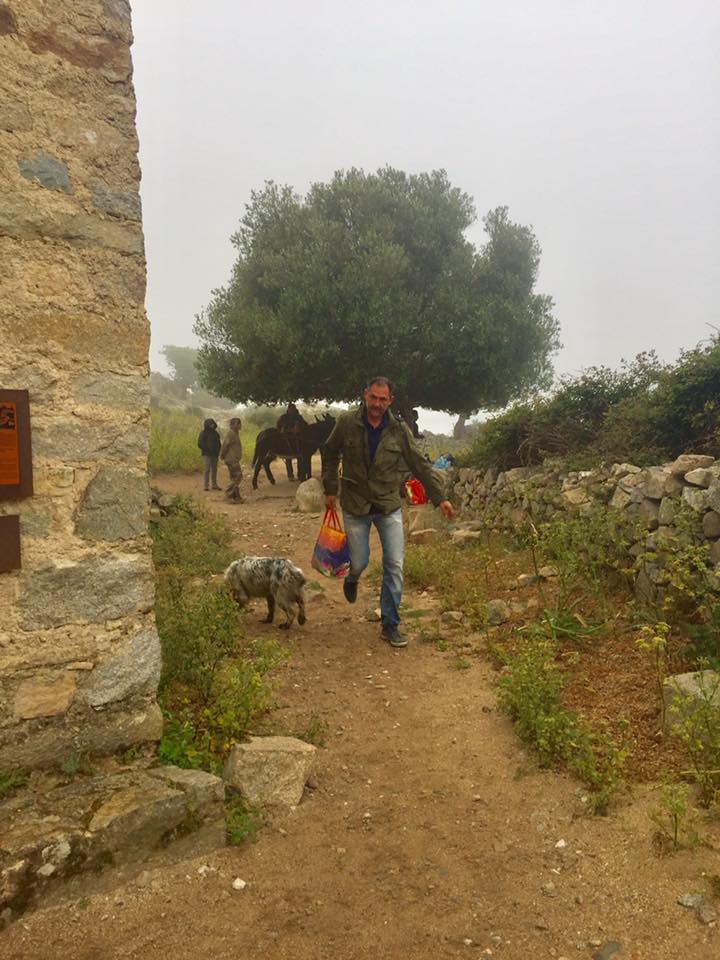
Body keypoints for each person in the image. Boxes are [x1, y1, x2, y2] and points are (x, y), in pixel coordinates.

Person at [322, 376, 454, 648]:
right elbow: (330, 452)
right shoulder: (347, 423)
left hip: (387, 504)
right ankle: (353, 577)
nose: (377, 404)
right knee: (359, 561)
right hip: (355, 503)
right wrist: (330, 488)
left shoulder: (398, 430)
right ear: (365, 395)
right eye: (373, 398)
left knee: (394, 565)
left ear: (390, 401)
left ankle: (390, 623)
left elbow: (419, 464)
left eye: (383, 400)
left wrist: (439, 497)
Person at [276, 402, 305, 480]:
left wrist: (298, 428)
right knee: (288, 457)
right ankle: (290, 475)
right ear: (288, 409)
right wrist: (284, 429)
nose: (291, 410)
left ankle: (300, 475)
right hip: (286, 438)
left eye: (293, 409)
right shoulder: (283, 417)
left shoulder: (299, 417)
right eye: (290, 409)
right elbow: (278, 426)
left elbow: (305, 425)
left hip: (297, 438)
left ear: (295, 409)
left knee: (300, 457)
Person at [220, 417, 244, 502]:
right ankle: (228, 494)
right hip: (231, 459)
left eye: (240, 423)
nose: (240, 425)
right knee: (238, 476)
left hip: (233, 459)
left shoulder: (235, 433)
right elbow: (225, 446)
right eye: (238, 424)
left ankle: (236, 497)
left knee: (234, 478)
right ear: (232, 425)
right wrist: (222, 455)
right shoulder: (231, 434)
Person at [197, 417, 221, 491]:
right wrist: (207, 450)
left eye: (213, 423)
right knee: (207, 470)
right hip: (206, 454)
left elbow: (219, 443)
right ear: (207, 424)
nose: (212, 425)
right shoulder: (203, 433)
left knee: (214, 470)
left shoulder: (216, 433)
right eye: (210, 424)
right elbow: (200, 444)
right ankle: (206, 486)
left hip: (215, 454)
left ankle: (214, 485)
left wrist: (218, 451)